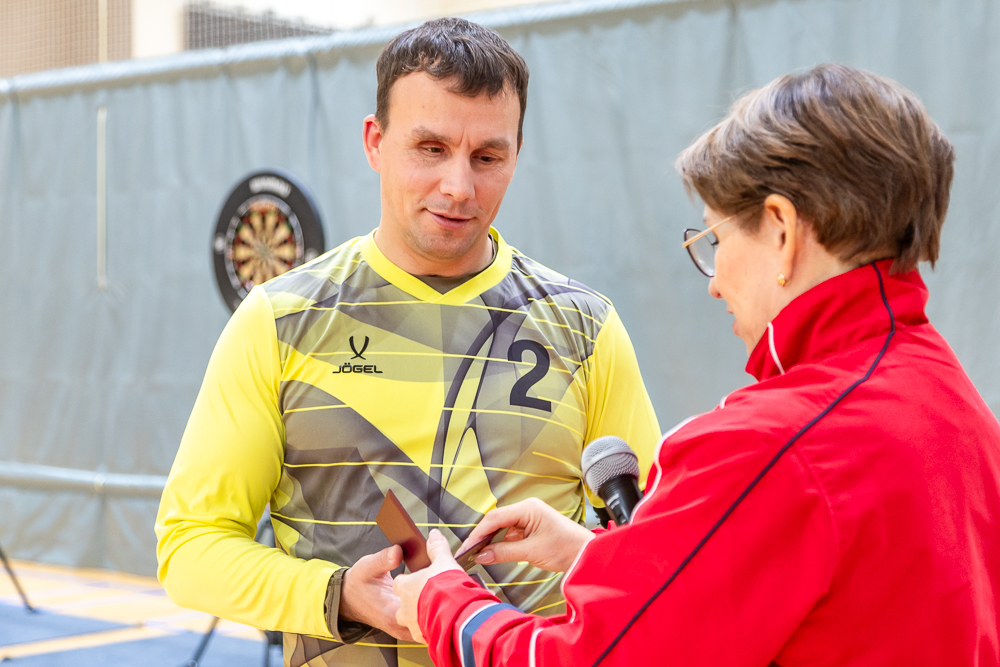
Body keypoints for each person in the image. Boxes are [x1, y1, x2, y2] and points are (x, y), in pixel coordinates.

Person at [392, 63, 1000, 666]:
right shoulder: (954, 404)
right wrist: (596, 554)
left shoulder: (770, 448)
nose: (714, 284)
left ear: (782, 230)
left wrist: (444, 602)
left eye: (716, 239)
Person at [154, 17, 661, 667]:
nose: (459, 186)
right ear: (375, 141)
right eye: (430, 148)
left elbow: (659, 555)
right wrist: (337, 593)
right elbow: (190, 547)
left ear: (516, 154)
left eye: (487, 156)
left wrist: (587, 555)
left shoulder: (584, 327)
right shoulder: (280, 320)